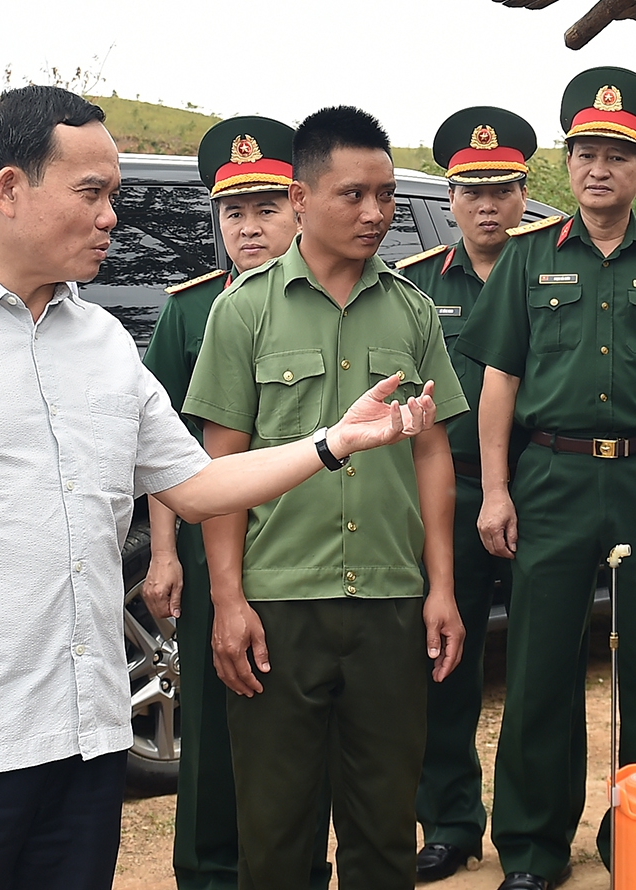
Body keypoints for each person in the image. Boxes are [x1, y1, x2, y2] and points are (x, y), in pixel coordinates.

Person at [0, 86, 439, 890]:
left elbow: (201, 485)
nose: (113, 218)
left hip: (86, 741)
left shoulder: (101, 342)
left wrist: (331, 443)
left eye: (116, 196)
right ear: (8, 190)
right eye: (92, 193)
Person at [182, 105, 468, 890]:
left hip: (388, 603)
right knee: (274, 834)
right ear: (301, 198)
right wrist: (230, 600)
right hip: (281, 607)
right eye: (353, 195)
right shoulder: (244, 310)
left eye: (384, 193)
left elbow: (434, 452)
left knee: (383, 831)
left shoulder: (411, 308)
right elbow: (220, 468)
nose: (375, 213)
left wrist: (441, 587)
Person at [455, 67, 636, 890]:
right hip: (550, 477)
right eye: (585, 152)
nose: (599, 168)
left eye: (617, 156)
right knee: (540, 667)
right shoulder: (525, 261)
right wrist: (494, 490)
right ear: (568, 165)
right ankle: (531, 847)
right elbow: (499, 384)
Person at [140, 116, 330, 890]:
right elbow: (159, 449)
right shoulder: (190, 311)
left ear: (299, 206)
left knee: (301, 712)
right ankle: (210, 868)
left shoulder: (332, 302)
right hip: (211, 530)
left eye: (264, 210)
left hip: (304, 540)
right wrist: (160, 553)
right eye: (232, 212)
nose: (248, 229)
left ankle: (287, 868)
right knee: (216, 717)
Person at [393, 106, 536, 882]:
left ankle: (532, 828)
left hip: (542, 489)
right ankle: (449, 820)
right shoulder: (415, 289)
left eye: (503, 189)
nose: (487, 204)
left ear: (525, 193)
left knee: (544, 666)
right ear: (449, 198)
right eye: (471, 189)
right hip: (445, 497)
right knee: (444, 661)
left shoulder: (552, 270)